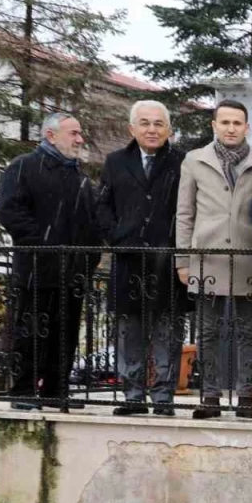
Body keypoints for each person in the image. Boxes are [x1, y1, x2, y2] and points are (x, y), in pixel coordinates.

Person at [0, 112, 98, 410]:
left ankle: (57, 390)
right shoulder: (23, 167)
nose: (80, 139)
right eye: (73, 133)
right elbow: (10, 211)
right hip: (36, 269)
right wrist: (44, 246)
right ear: (50, 136)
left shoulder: (79, 178)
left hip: (73, 273)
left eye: (80, 133)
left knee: (65, 334)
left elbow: (92, 224)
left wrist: (88, 260)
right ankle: (23, 391)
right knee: (30, 332)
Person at [176, 100, 252, 420]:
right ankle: (210, 395)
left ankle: (246, 396)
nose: (231, 128)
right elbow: (185, 213)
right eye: (225, 122)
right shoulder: (194, 160)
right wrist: (183, 259)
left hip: (248, 257)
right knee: (208, 331)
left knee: (249, 331)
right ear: (214, 125)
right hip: (207, 258)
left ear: (247, 127)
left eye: (237, 123)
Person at [96, 100, 187, 416]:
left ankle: (163, 397)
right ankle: (132, 396)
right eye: (145, 123)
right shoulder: (115, 161)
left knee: (168, 332)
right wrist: (117, 236)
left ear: (169, 130)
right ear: (131, 129)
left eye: (159, 123)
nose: (152, 129)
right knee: (128, 333)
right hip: (129, 259)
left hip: (167, 260)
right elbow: (102, 206)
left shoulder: (182, 162)